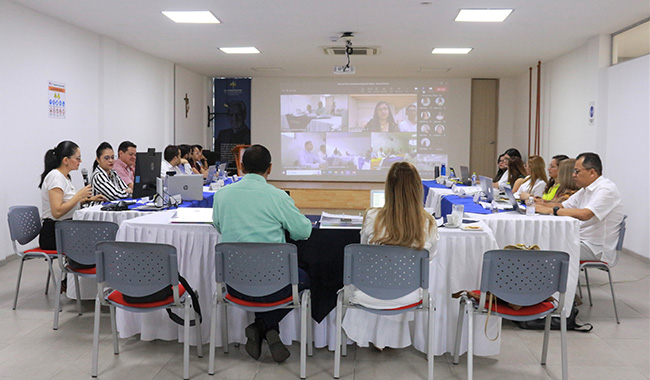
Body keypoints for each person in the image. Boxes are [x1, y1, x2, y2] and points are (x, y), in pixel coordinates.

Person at [212, 144, 312, 363]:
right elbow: (303, 232)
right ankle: (263, 328)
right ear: (270, 168)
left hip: (235, 285)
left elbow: (219, 227)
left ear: (242, 167)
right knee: (303, 277)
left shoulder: (222, 196)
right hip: (274, 284)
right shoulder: (277, 197)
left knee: (262, 276)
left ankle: (262, 328)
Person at [342, 162, 438, 349]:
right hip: (409, 296)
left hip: (369, 292)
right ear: (418, 188)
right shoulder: (428, 224)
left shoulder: (371, 217)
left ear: (388, 188)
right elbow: (430, 257)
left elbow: (364, 252)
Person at [537, 153, 624, 263]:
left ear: (592, 172)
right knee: (544, 240)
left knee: (547, 248)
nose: (573, 175)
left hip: (595, 248)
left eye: (577, 171)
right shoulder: (585, 190)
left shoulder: (606, 190)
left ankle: (552, 279)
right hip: (581, 239)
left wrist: (550, 210)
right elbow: (562, 205)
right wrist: (536, 205)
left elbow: (585, 214)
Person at [38, 141, 104, 260]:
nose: (80, 161)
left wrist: (88, 199)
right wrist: (78, 196)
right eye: (77, 158)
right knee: (94, 241)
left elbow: (67, 203)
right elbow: (57, 212)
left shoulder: (65, 177)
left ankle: (76, 275)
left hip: (65, 228)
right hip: (54, 233)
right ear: (66, 160)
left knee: (97, 237)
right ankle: (75, 275)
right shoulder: (55, 177)